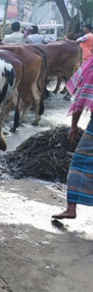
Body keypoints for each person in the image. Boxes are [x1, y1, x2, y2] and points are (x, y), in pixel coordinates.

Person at [52, 46, 93, 220]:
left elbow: (81, 98)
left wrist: (74, 126)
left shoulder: (91, 65)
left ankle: (71, 209)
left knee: (80, 160)